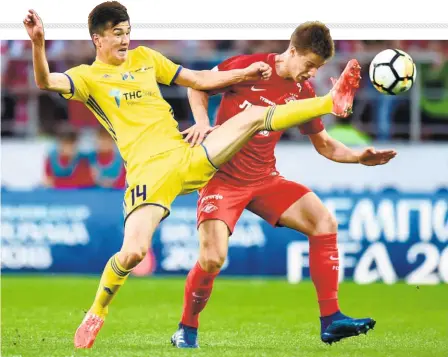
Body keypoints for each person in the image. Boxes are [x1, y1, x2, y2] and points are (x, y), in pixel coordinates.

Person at [24, 1, 362, 349]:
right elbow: (46, 80)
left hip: (187, 155)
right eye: (117, 34)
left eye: (128, 32)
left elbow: (199, 80)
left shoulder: (146, 58)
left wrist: (242, 76)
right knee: (133, 253)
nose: (125, 40)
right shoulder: (86, 77)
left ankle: (329, 101)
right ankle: (97, 310)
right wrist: (38, 43)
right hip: (147, 173)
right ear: (98, 39)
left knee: (253, 116)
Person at [172, 23, 397, 348]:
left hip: (264, 178)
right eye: (309, 65)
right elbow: (197, 85)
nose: (311, 74)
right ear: (292, 51)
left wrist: (359, 157)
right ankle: (186, 329)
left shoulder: (303, 93)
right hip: (222, 177)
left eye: (317, 69)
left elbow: (325, 145)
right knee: (212, 259)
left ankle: (331, 319)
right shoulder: (249, 68)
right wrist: (204, 124)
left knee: (324, 222)